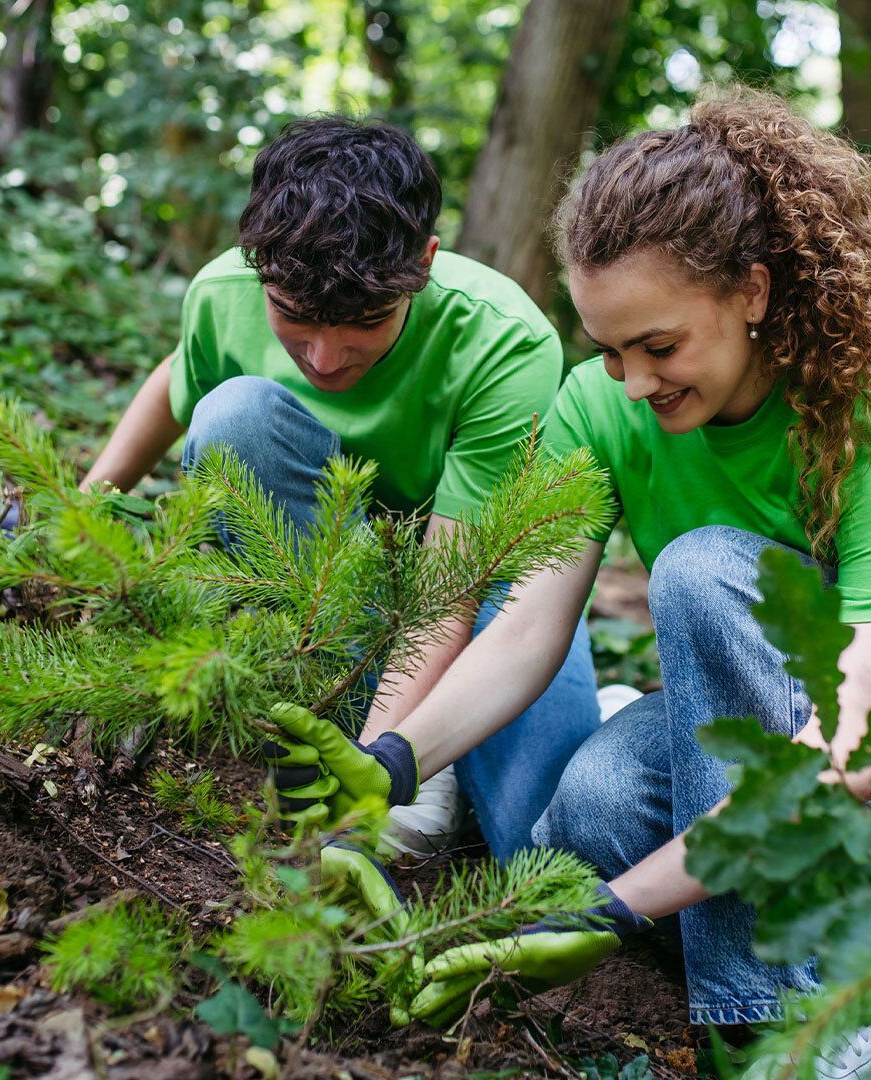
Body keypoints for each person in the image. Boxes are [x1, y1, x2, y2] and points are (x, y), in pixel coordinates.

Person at [264, 88, 871, 1046]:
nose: (635, 383)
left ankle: (780, 1028)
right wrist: (394, 761)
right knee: (589, 808)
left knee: (703, 569)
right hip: (768, 709)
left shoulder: (856, 410)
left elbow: (856, 745)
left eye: (660, 345)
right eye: (608, 349)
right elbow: (527, 629)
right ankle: (851, 897)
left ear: (751, 291)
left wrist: (619, 910)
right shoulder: (599, 409)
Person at [81, 117, 600, 860]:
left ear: (424, 262)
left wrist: (373, 771)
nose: (324, 357)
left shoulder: (503, 343)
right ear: (258, 263)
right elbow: (179, 381)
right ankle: (422, 755)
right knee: (234, 415)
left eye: (364, 322)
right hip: (322, 578)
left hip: (474, 582)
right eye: (293, 318)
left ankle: (475, 743)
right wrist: (86, 509)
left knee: (540, 842)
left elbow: (446, 594)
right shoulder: (221, 293)